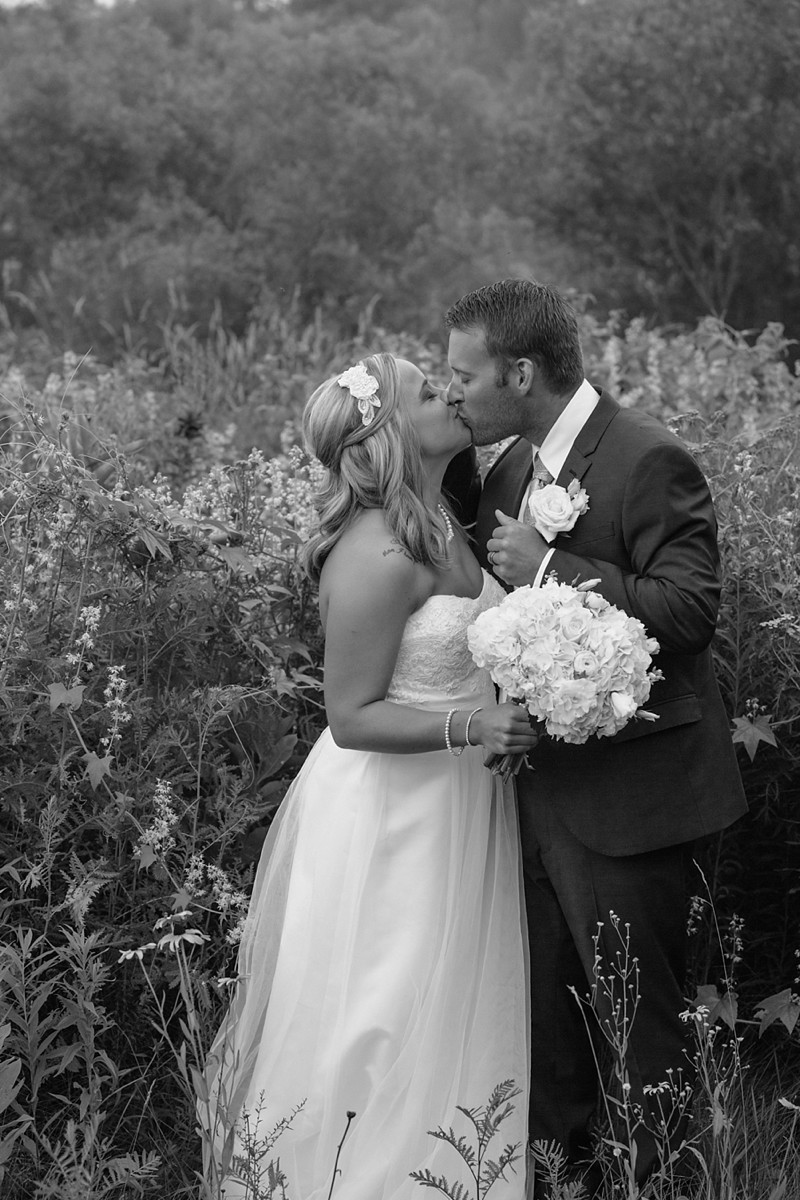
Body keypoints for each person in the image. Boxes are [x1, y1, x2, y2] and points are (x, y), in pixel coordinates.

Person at [201, 352, 539, 1200]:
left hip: (461, 798)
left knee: (452, 1005)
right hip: (392, 811)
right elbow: (349, 718)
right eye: (430, 390)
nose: (453, 391)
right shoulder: (374, 549)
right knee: (380, 1008)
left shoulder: (444, 519)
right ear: (387, 432)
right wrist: (477, 722)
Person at [443, 279, 747, 1197]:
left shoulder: (649, 457)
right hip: (534, 801)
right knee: (550, 1033)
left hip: (635, 800)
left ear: (522, 371)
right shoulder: (505, 470)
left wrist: (553, 566)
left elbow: (690, 611)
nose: (454, 391)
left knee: (640, 1033)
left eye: (465, 374)